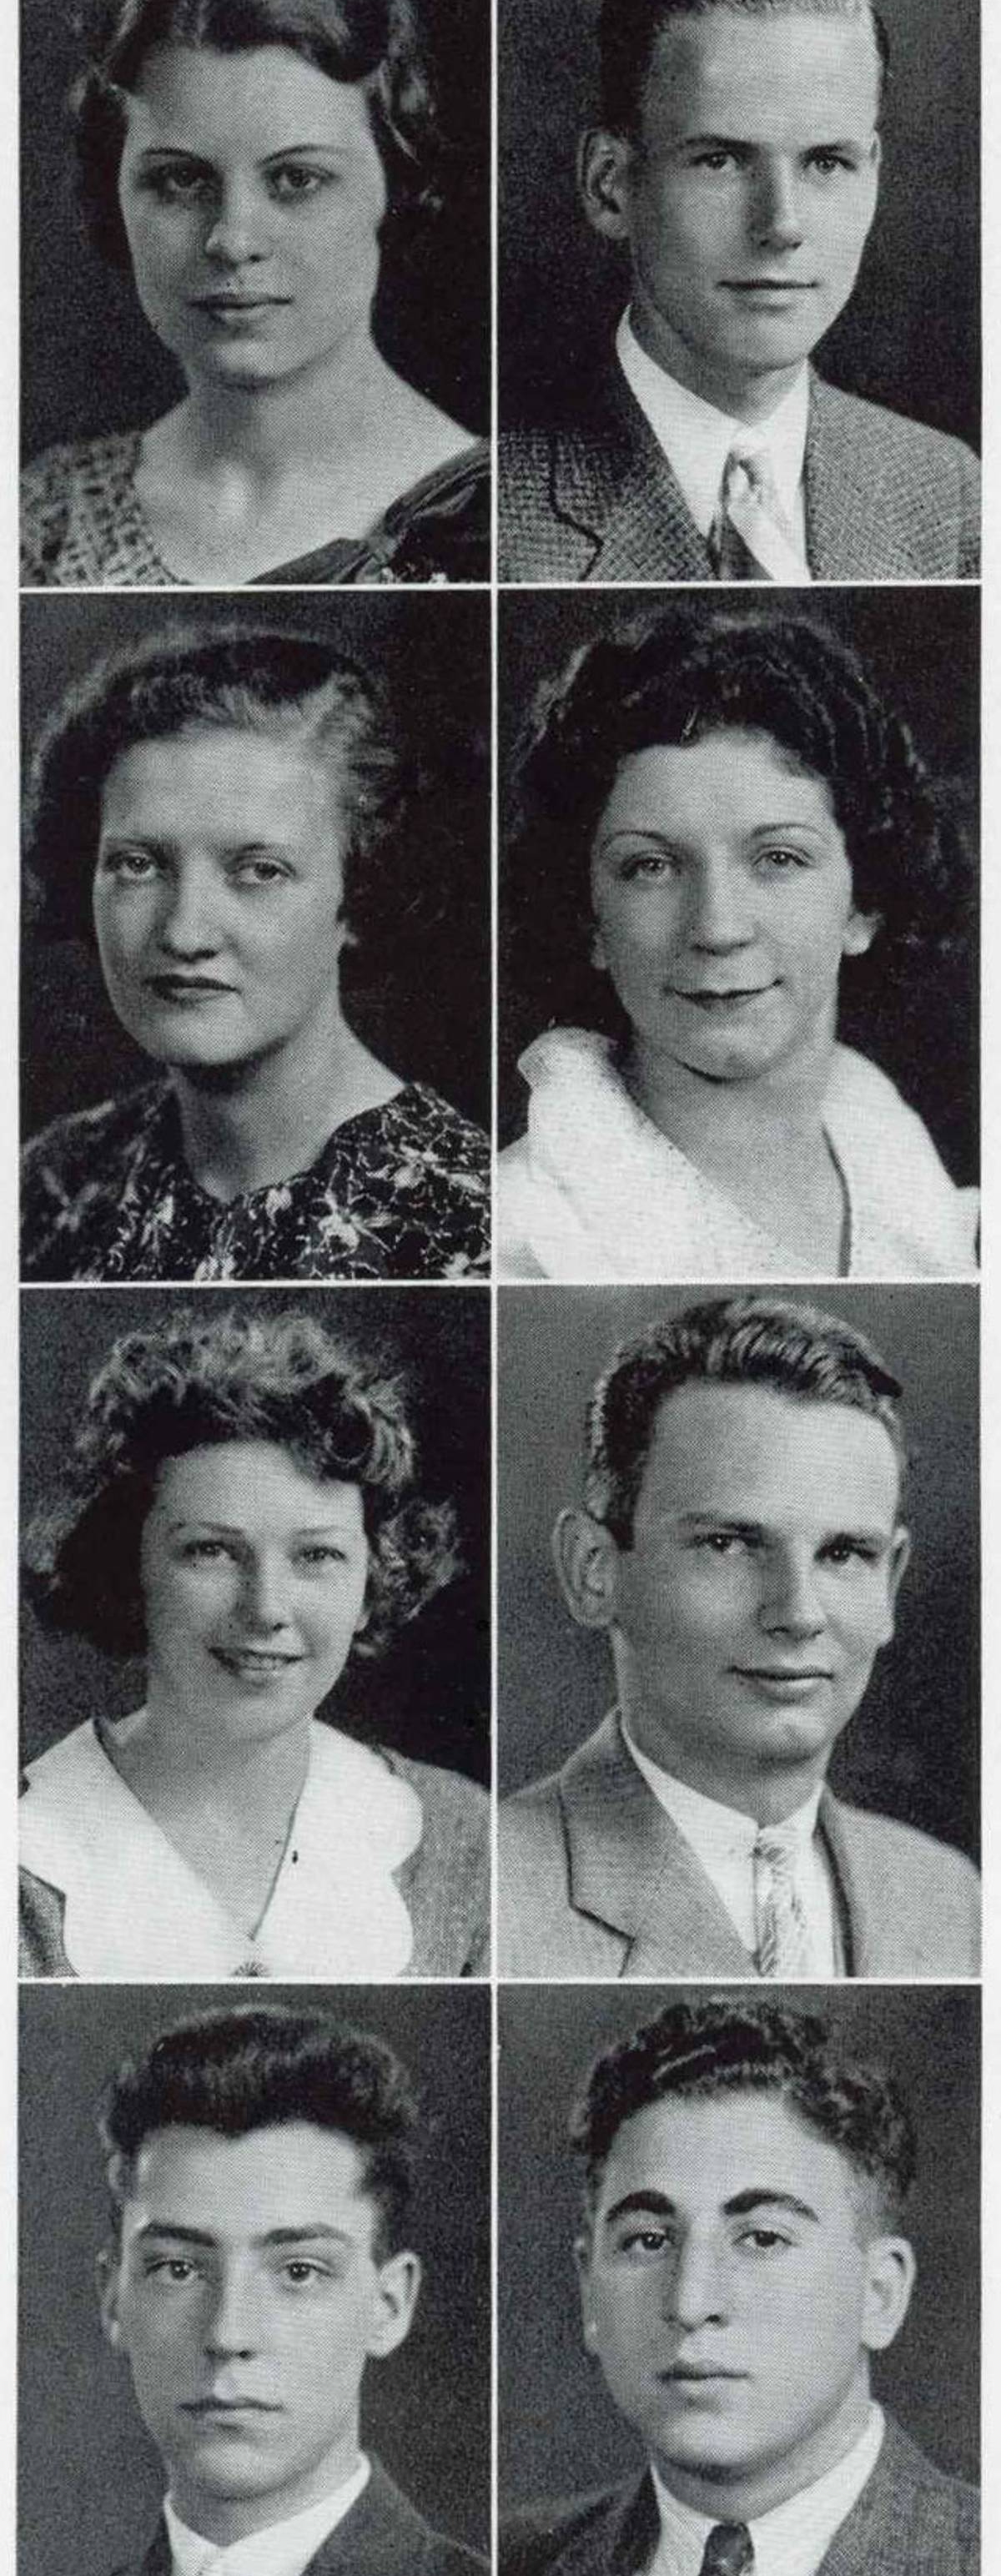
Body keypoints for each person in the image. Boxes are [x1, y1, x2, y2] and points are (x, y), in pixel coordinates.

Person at [498, 1295, 980, 1979]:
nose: (798, 1613)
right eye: (728, 1543)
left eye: (844, 1554)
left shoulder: (950, 1896)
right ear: (594, 1570)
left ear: (891, 1583)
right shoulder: (494, 1889)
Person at [499, 0, 979, 586]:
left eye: (826, 163)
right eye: (720, 160)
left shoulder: (949, 490)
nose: (781, 224)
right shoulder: (491, 514)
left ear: (872, 178)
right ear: (610, 186)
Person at [500, 1999, 978, 2576]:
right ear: (588, 2291)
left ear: (880, 2292)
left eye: (761, 2238)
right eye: (648, 2240)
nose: (691, 2302)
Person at [498, 606, 976, 1280]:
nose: (718, 928)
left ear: (864, 901)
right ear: (589, 919)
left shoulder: (894, 1155)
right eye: (651, 866)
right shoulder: (522, 1236)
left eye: (778, 858)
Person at [20, 1303, 489, 1980]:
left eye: (317, 1556)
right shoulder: (26, 1857)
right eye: (210, 1550)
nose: (266, 1608)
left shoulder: (463, 1841)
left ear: (374, 1576)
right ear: (127, 1567)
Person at [20, 2001, 489, 2576]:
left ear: (388, 2304)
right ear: (113, 2296)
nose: (228, 2333)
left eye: (299, 2270)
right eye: (177, 2268)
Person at [22, 0, 488, 590]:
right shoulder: (43, 519)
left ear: (395, 184)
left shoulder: (493, 517)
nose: (234, 240)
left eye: (297, 179)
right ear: (114, 190)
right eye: (180, 179)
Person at [21, 624, 490, 1283]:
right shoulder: (53, 1182)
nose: (185, 932)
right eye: (136, 864)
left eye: (259, 871)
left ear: (360, 889)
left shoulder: (473, 1221)